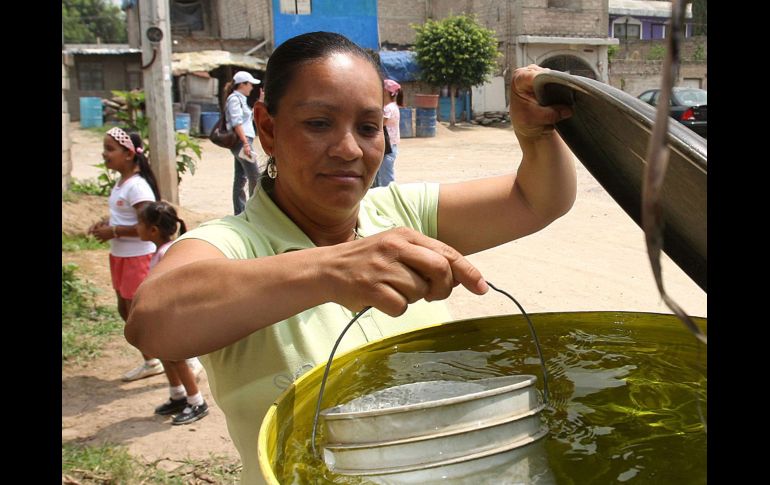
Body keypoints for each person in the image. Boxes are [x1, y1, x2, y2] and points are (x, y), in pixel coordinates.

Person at [126, 31, 575, 484]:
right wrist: (331, 269)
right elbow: (151, 321)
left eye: (367, 127)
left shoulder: (399, 213)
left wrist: (535, 134)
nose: (349, 150)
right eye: (319, 123)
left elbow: (536, 199)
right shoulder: (234, 245)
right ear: (267, 128)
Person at [88, 127, 162, 382]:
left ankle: (178, 359)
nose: (105, 153)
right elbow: (123, 216)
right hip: (120, 256)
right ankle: (152, 359)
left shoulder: (138, 187)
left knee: (140, 315)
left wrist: (114, 231)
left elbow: (147, 226)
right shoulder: (122, 183)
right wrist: (105, 224)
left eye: (110, 149)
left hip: (137, 257)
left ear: (129, 154)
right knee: (125, 309)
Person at [136, 201, 209, 425]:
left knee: (177, 359)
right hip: (166, 316)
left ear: (153, 230)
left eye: (139, 223)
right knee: (166, 355)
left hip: (174, 317)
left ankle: (196, 401)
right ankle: (177, 394)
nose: (136, 227)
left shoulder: (167, 253)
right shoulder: (163, 250)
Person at [225, 70, 262, 214]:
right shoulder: (235, 99)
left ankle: (240, 211)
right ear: (242, 84)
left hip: (243, 141)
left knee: (241, 178)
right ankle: (255, 210)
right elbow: (237, 122)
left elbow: (246, 119)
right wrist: (246, 143)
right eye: (250, 84)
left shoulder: (240, 99)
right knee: (255, 175)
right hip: (242, 142)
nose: (251, 88)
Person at [373, 78, 401, 187]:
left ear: (385, 92)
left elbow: (380, 123)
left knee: (386, 176)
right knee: (384, 174)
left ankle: (390, 198)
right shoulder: (393, 106)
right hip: (391, 146)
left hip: (387, 146)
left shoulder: (388, 108)